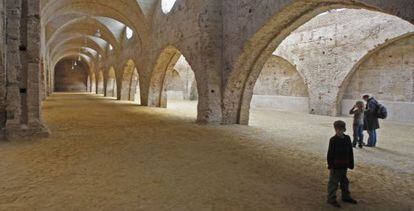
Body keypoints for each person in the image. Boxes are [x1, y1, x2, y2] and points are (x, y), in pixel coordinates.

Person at [327, 120, 357, 208]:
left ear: (344, 129)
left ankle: (346, 196)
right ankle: (331, 198)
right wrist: (331, 166)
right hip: (336, 166)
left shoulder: (347, 138)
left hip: (344, 165)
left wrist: (351, 163)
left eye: (341, 129)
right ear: (335, 129)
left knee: (344, 181)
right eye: (337, 129)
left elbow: (350, 152)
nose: (339, 131)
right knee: (333, 183)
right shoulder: (333, 140)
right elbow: (330, 154)